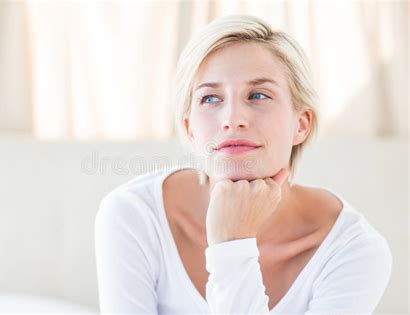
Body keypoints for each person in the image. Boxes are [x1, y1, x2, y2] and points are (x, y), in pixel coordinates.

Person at [95, 15, 392, 314]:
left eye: (258, 95)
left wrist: (232, 245)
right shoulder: (134, 215)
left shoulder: (352, 251)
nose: (232, 119)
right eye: (210, 98)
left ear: (301, 125)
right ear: (190, 130)